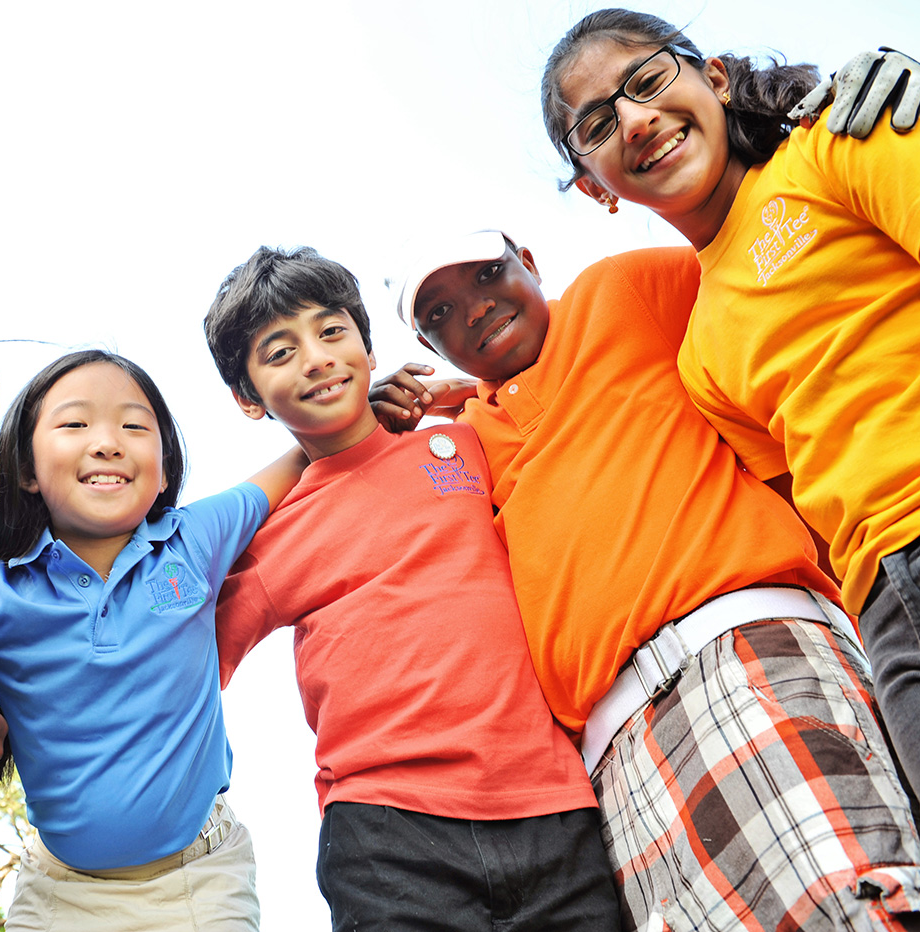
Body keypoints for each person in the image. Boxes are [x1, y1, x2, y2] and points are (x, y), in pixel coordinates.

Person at [375, 230, 920, 931]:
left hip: (741, 654)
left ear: (529, 259)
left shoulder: (620, 293)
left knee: (854, 907)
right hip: (615, 759)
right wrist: (378, 419)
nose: (472, 309)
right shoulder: (466, 442)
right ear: (430, 349)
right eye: (437, 314)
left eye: (488, 272)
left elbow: (754, 263)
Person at [539, 8, 920, 846]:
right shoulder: (701, 358)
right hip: (887, 620)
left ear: (714, 77)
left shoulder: (844, 138)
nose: (637, 119)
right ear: (596, 186)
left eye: (647, 81)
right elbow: (810, 507)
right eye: (599, 122)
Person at [203, 245, 616, 932]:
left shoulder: (462, 444)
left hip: (555, 808)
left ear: (367, 346)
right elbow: (187, 664)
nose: (315, 358)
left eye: (331, 331)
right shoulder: (274, 534)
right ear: (249, 399)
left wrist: (448, 393)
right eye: (279, 353)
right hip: (387, 832)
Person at [0, 349, 307, 932]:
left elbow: (303, 457)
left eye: (135, 426)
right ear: (27, 469)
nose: (108, 442)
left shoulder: (197, 540)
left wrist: (379, 403)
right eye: (74, 423)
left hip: (200, 883)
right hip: (59, 893)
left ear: (163, 469)